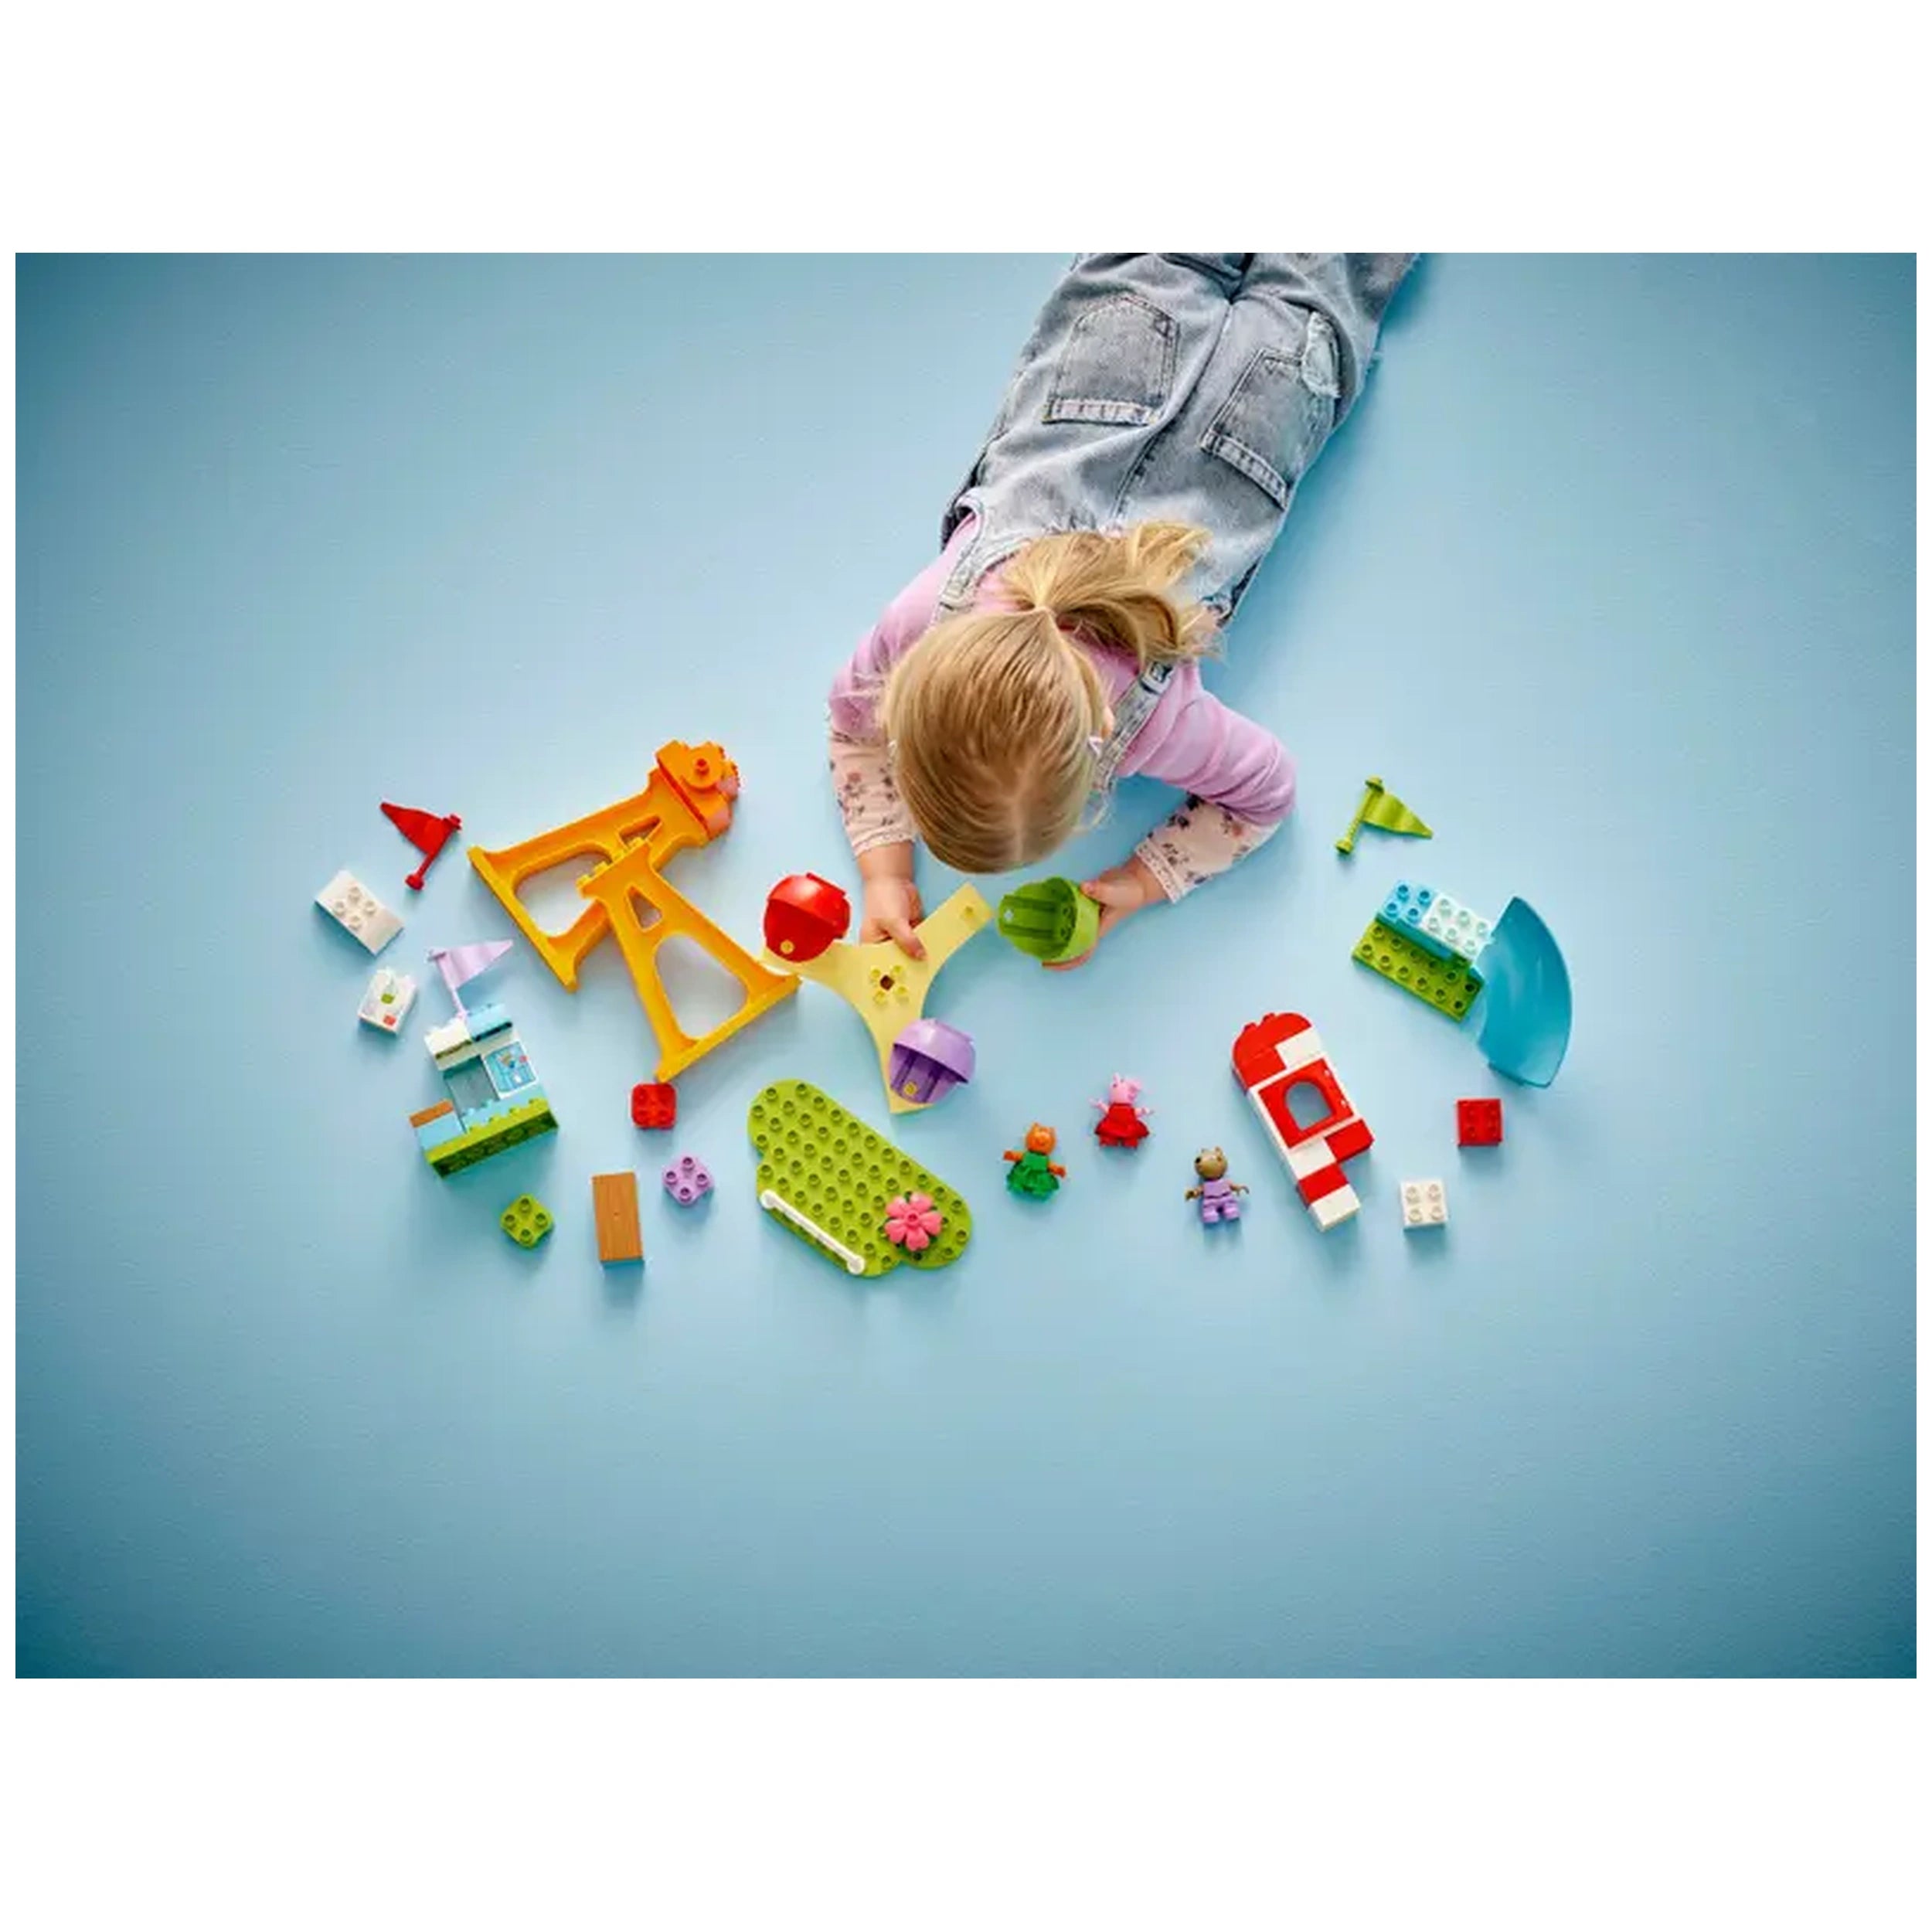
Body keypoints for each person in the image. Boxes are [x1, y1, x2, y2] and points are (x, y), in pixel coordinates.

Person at [827, 253, 1415, 968]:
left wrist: (1140, 885)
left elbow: (1265, 796)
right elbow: (855, 723)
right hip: (1122, 334)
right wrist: (885, 874)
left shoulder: (1156, 726)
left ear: (1105, 731)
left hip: (1276, 397)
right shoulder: (919, 618)